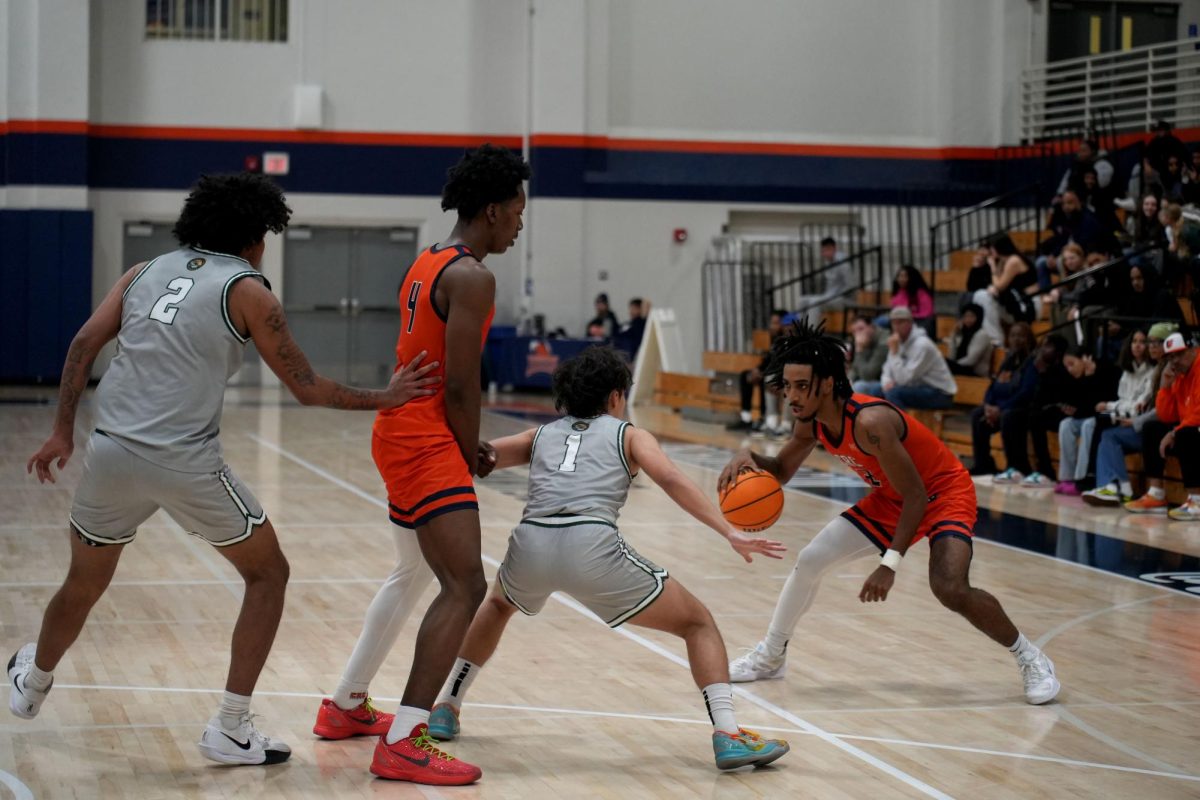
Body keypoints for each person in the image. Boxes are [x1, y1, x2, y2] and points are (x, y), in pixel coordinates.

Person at [11, 173, 440, 766]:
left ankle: (32, 680)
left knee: (82, 584)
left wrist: (62, 430)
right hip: (183, 462)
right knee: (268, 575)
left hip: (109, 453)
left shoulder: (143, 271)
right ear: (253, 237)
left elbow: (83, 344)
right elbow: (308, 389)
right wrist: (387, 398)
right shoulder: (249, 289)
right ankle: (231, 727)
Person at [420, 346, 791, 771]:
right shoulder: (629, 434)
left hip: (531, 542)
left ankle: (446, 704)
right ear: (616, 397)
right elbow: (669, 478)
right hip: (590, 544)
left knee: (499, 604)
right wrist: (727, 530)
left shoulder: (539, 435)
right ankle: (728, 734)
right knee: (697, 622)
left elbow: (477, 458)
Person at [314, 144, 530, 786]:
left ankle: (347, 705)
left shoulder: (428, 260)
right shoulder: (473, 277)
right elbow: (461, 386)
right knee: (463, 586)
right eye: (517, 212)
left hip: (401, 431)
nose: (519, 224)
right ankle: (407, 740)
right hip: (425, 437)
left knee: (411, 572)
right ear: (492, 210)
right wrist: (473, 452)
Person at [720, 319, 1061, 705]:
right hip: (892, 496)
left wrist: (890, 564)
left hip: (941, 492)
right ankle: (771, 655)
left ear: (828, 383)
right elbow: (780, 471)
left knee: (949, 588)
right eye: (789, 386)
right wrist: (750, 456)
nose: (792, 396)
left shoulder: (870, 422)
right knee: (811, 560)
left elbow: (917, 495)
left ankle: (1030, 657)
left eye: (802, 386)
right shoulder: (810, 423)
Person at [1123, 332, 1200, 520]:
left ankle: (1197, 501)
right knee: (1152, 428)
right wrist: (1165, 388)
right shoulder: (1179, 376)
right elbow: (1166, 416)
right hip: (1188, 428)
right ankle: (1156, 494)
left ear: (1193, 350)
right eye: (1171, 357)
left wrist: (1174, 433)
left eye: (1179, 355)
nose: (1174, 361)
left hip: (1194, 429)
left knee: (1185, 434)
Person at [1082, 327, 1161, 506]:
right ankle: (1108, 483)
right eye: (1134, 342)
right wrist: (1110, 407)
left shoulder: (1152, 372)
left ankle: (1112, 484)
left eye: (1142, 342)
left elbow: (1136, 407)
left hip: (1135, 419)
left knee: (1105, 428)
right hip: (1121, 413)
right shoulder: (1127, 371)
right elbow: (1122, 398)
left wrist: (1110, 406)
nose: (1138, 346)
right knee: (1097, 419)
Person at [991, 335, 1071, 487]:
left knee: (1035, 418)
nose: (1043, 349)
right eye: (1043, 345)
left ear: (1058, 352)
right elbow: (1033, 396)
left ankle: (1046, 471)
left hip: (1060, 410)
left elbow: (1057, 395)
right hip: (1039, 409)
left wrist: (1043, 374)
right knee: (1010, 416)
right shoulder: (1035, 364)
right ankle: (1016, 467)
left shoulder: (1063, 368)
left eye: (1048, 346)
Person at [857, 307, 956, 411]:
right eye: (894, 323)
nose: (896, 327)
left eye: (900, 322)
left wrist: (895, 354)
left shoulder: (922, 345)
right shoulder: (896, 341)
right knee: (876, 390)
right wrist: (887, 382)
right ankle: (880, 425)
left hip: (939, 393)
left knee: (893, 393)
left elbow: (904, 379)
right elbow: (886, 370)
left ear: (910, 323)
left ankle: (903, 426)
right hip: (915, 386)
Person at [969, 323, 1036, 476]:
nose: (1016, 339)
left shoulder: (1032, 362)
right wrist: (987, 405)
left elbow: (1026, 393)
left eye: (1021, 336)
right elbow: (993, 386)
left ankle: (1015, 467)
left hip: (1020, 409)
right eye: (1013, 335)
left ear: (1029, 339)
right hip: (999, 408)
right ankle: (983, 464)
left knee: (1009, 417)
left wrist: (1001, 408)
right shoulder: (1008, 360)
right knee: (977, 414)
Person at [1052, 347, 1121, 495]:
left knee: (1089, 424)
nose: (1069, 370)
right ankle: (1067, 477)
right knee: (1066, 424)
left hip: (1111, 412)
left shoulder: (1106, 370)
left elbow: (1103, 405)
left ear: (1085, 359)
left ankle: (1081, 479)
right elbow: (1085, 405)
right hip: (1092, 414)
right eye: (1066, 366)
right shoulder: (1078, 378)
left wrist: (1091, 379)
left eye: (1072, 364)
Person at [726, 310, 788, 436]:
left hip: (780, 374)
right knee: (746, 375)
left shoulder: (787, 340)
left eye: (775, 323)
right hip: (770, 371)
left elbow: (782, 362)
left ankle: (765, 419)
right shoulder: (774, 338)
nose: (772, 326)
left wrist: (762, 372)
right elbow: (769, 358)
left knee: (766, 379)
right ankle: (746, 418)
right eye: (771, 323)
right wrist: (758, 369)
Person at [881, 265, 934, 333]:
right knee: (880, 321)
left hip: (917, 321)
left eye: (904, 276)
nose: (901, 279)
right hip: (898, 319)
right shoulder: (898, 293)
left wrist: (906, 316)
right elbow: (894, 309)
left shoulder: (921, 293)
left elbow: (927, 313)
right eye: (899, 276)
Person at [945, 303, 992, 377]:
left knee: (943, 363)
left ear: (979, 317)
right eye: (965, 316)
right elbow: (952, 356)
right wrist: (953, 336)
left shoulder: (982, 334)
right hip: (962, 368)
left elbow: (971, 360)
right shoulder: (962, 333)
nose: (968, 319)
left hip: (976, 374)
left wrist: (953, 365)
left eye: (971, 316)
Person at [847, 315, 887, 391]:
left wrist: (860, 350)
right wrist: (849, 380)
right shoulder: (862, 340)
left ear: (871, 326)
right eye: (854, 331)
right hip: (867, 377)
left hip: (884, 382)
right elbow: (855, 368)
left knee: (859, 387)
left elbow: (868, 375)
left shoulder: (883, 342)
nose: (858, 334)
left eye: (861, 329)